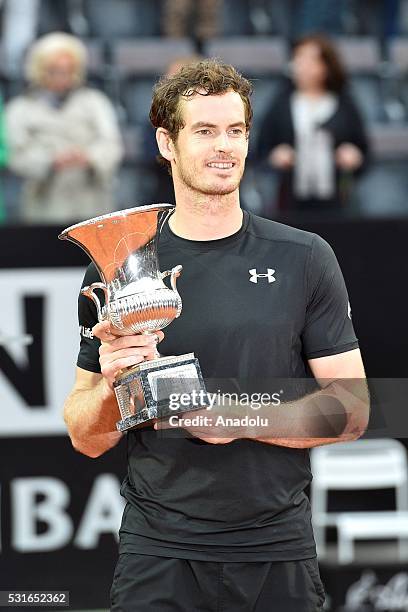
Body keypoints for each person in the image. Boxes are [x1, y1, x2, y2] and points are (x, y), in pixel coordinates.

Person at [63, 59, 369, 611]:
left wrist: (233, 417)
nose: (223, 147)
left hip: (277, 549)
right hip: (157, 552)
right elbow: (85, 437)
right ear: (166, 142)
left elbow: (352, 409)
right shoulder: (122, 266)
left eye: (235, 131)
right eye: (204, 131)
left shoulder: (305, 257)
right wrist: (113, 386)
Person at [5, 32, 123, 224]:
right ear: (39, 69)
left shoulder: (95, 102)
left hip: (93, 207)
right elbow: (16, 157)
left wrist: (89, 157)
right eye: (54, 70)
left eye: (68, 70)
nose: (62, 77)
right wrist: (50, 161)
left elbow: (111, 144)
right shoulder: (20, 109)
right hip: (43, 209)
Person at [257, 34, 369, 213]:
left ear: (326, 66)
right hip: (290, 201)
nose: (301, 66)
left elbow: (363, 150)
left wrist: (353, 156)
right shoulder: (281, 104)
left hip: (337, 201)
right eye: (298, 58)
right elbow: (261, 148)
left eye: (311, 60)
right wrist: (275, 156)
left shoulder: (344, 104)